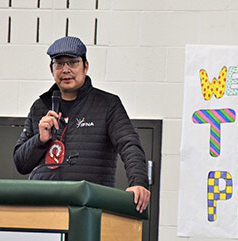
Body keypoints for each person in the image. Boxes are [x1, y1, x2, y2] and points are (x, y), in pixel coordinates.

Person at [13, 36, 151, 213]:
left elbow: (129, 145)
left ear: (85, 66)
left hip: (88, 209)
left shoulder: (107, 104)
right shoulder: (40, 106)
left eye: (72, 62)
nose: (66, 70)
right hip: (42, 208)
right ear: (51, 69)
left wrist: (138, 183)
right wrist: (39, 140)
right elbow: (20, 164)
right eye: (59, 64)